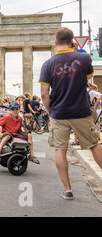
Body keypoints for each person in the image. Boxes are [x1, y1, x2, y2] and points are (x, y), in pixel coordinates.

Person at [40, 28, 102, 200]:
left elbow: (44, 93)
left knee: (60, 149)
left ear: (55, 42)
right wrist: (76, 52)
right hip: (81, 111)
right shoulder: (83, 58)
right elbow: (89, 75)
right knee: (93, 144)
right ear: (73, 41)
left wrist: (49, 111)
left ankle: (67, 189)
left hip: (59, 113)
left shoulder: (48, 64)